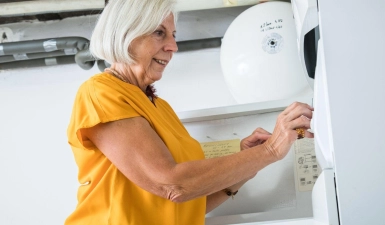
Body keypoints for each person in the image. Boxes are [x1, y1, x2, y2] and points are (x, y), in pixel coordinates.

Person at [65, 0, 314, 224]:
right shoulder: (100, 92)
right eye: (159, 33)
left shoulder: (159, 106)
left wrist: (248, 165)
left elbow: (189, 203)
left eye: (173, 35)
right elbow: (173, 184)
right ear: (125, 35)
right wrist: (270, 151)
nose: (172, 46)